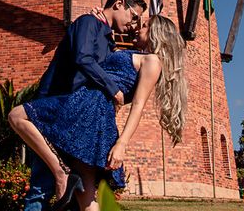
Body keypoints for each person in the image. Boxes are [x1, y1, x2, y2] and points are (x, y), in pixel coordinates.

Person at [10, 14, 187, 211]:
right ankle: (64, 174)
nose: (138, 28)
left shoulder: (153, 61)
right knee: (85, 192)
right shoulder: (137, 54)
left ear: (157, 34)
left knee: (17, 116)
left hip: (89, 109)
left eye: (145, 26)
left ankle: (60, 172)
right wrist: (104, 25)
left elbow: (138, 106)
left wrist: (121, 144)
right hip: (89, 108)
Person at [13, 0, 146, 211]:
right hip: (57, 106)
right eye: (134, 16)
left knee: (79, 193)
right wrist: (113, 90)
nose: (134, 24)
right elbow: (82, 58)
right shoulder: (88, 22)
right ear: (119, 4)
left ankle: (61, 176)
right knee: (41, 185)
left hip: (79, 116)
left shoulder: (107, 38)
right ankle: (60, 174)